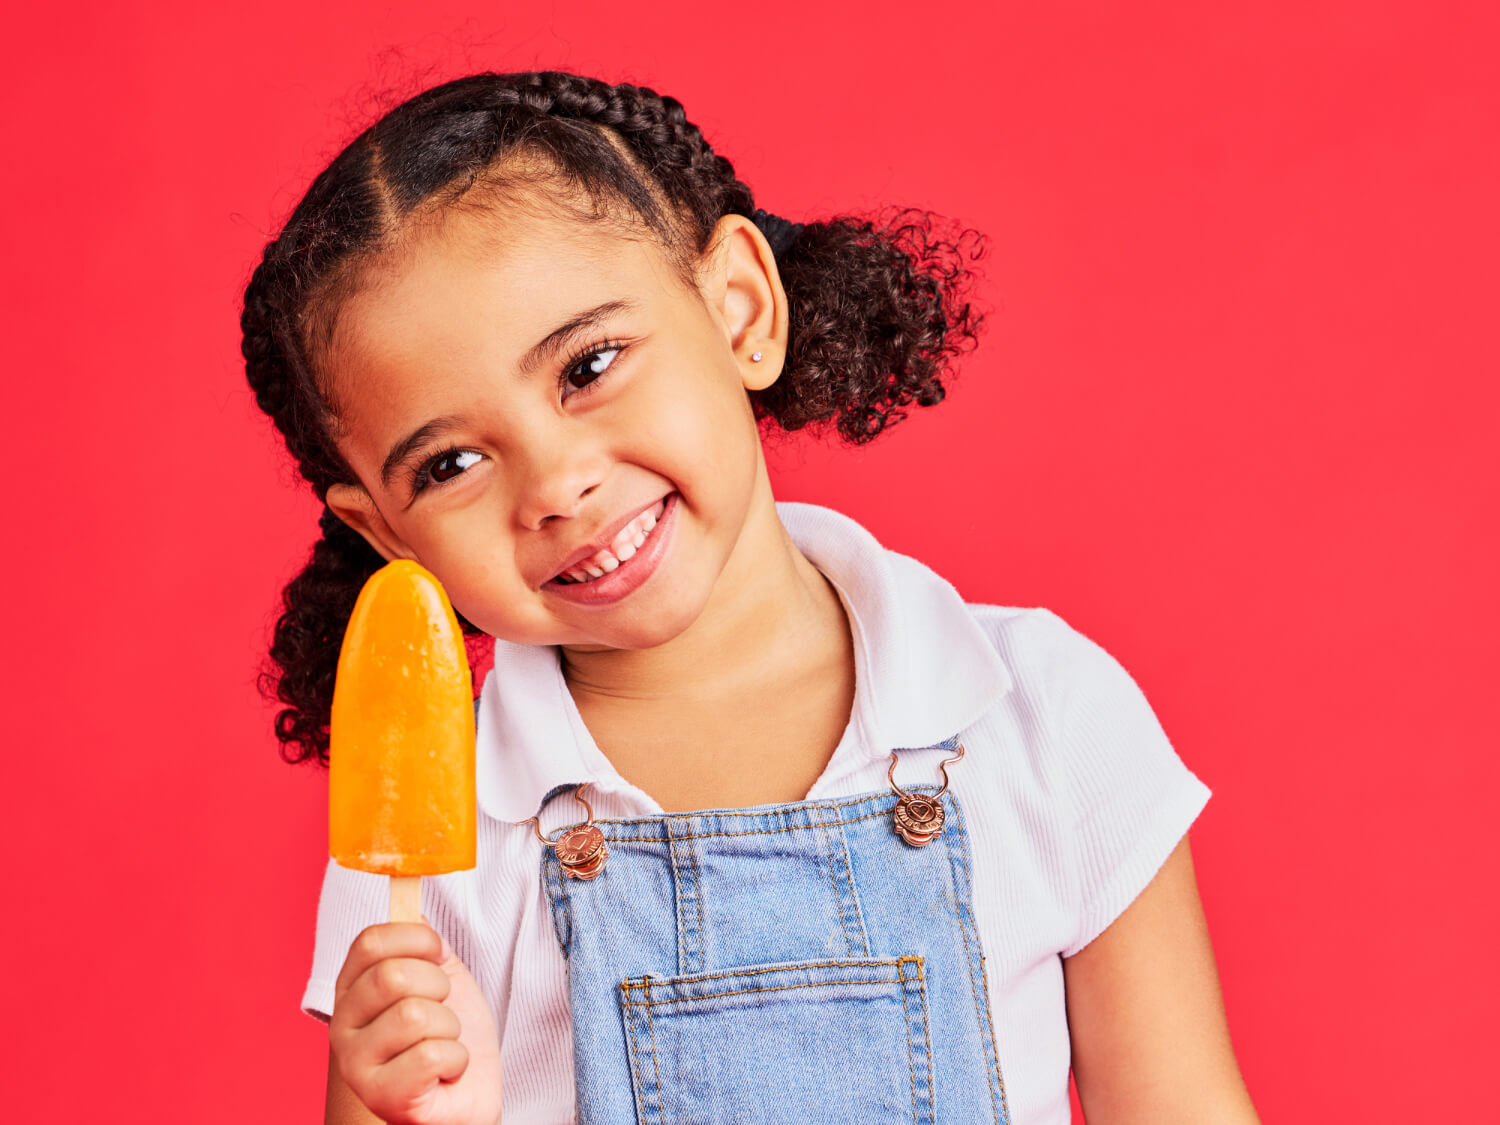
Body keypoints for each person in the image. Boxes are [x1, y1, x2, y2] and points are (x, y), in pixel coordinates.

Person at [241, 70, 1259, 1125]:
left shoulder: (1041, 718)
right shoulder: (438, 852)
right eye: (450, 465)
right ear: (383, 531)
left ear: (740, 312)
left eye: (589, 365)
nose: (556, 489)